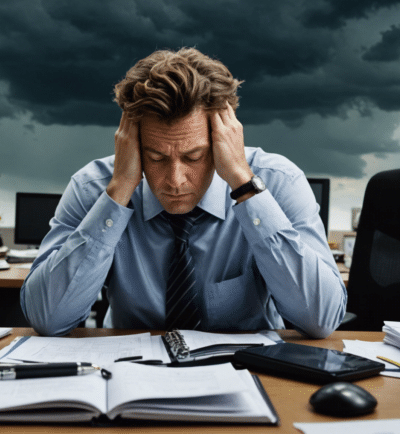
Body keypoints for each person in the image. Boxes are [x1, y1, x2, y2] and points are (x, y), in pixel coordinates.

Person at [20, 47, 346, 337]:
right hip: (129, 376)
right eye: (156, 157)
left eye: (193, 156)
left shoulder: (278, 182)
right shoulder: (93, 187)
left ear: (224, 140)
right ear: (131, 144)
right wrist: (118, 191)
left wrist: (245, 187)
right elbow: (48, 319)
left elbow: (320, 319)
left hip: (248, 378)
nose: (175, 180)